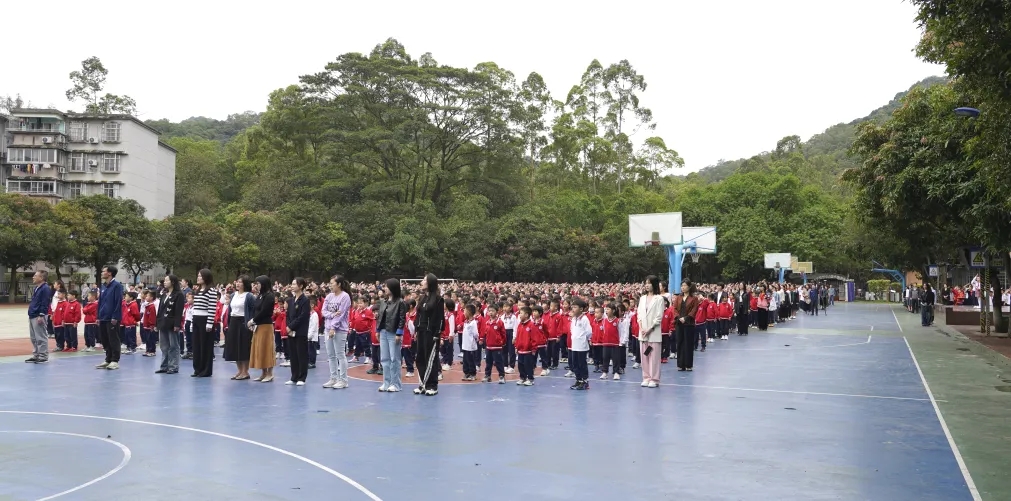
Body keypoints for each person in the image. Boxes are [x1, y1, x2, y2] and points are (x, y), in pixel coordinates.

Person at [413, 274, 445, 395]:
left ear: (430, 283)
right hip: (421, 332)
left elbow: (440, 319)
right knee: (420, 358)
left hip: (431, 333)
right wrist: (416, 329)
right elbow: (418, 315)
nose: (422, 282)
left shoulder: (438, 299)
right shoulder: (422, 298)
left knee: (430, 360)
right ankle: (422, 384)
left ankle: (432, 386)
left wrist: (437, 333)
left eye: (424, 280)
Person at [376, 278, 408, 392]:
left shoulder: (400, 302)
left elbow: (402, 318)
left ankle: (396, 384)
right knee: (384, 359)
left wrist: (399, 333)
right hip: (383, 332)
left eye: (387, 286)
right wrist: (378, 330)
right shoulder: (383, 301)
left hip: (393, 333)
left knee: (395, 359)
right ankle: (386, 382)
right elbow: (380, 317)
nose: (385, 288)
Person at [322, 275, 352, 389]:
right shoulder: (329, 296)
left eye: (332, 283)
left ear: (339, 284)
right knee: (331, 355)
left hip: (339, 330)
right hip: (327, 329)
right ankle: (333, 378)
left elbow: (341, 314)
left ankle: (343, 380)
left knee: (340, 354)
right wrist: (332, 314)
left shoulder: (345, 297)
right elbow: (323, 311)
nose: (330, 285)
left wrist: (333, 327)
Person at [637, 275, 665, 388]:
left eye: (649, 283)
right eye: (646, 283)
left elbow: (659, 316)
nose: (647, 285)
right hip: (643, 333)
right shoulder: (642, 298)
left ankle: (654, 379)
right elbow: (639, 314)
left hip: (653, 332)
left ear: (654, 284)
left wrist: (650, 328)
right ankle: (646, 377)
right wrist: (641, 328)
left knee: (654, 357)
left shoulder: (659, 299)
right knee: (644, 356)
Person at [225, 275, 255, 381]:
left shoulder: (249, 296)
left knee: (244, 347)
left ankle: (245, 371)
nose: (238, 284)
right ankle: (239, 370)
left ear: (245, 284)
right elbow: (230, 309)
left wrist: (251, 323)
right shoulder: (233, 295)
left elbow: (253, 310)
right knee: (235, 347)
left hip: (243, 322)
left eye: (240, 282)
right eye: (237, 282)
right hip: (233, 321)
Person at [191, 269, 219, 378]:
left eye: (200, 276)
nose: (198, 278)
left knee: (205, 346)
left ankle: (206, 370)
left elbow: (212, 307)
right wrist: (193, 321)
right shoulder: (198, 290)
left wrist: (209, 323)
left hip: (205, 319)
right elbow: (195, 307)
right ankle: (197, 369)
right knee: (196, 345)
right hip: (196, 318)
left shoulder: (211, 290)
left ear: (206, 277)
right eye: (198, 276)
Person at [248, 275, 277, 382]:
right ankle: (263, 373)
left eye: (258, 284)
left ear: (264, 284)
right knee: (260, 349)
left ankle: (270, 373)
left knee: (267, 349)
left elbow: (264, 311)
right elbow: (256, 309)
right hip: (258, 325)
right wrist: (254, 322)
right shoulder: (260, 295)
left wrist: (253, 320)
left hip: (265, 326)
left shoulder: (269, 296)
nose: (256, 286)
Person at [156, 274, 185, 375]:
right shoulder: (164, 294)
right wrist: (157, 322)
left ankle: (173, 366)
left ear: (172, 282)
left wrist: (177, 324)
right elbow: (160, 310)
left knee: (173, 346)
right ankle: (164, 366)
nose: (164, 282)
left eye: (167, 280)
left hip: (172, 323)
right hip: (162, 322)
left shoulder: (179, 294)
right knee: (164, 346)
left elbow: (179, 311)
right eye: (164, 280)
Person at [96, 266, 124, 370]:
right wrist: (98, 316)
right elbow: (100, 302)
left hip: (112, 318)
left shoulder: (117, 286)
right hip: (103, 317)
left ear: (110, 273)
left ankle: (115, 360)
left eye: (103, 271)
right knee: (105, 339)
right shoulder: (103, 286)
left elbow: (118, 302)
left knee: (113, 339)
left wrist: (115, 316)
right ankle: (108, 359)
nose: (102, 273)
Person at [285, 277, 311, 386]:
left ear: (301, 286)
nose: (292, 286)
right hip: (291, 332)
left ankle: (302, 377)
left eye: (294, 284)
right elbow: (288, 315)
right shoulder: (290, 300)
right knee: (293, 355)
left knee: (301, 354)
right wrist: (288, 326)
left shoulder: (305, 300)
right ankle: (294, 377)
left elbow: (303, 317)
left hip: (300, 331)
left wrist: (291, 326)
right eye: (292, 284)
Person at [672, 280, 700, 372]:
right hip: (679, 322)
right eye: (682, 286)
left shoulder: (694, 298)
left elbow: (694, 310)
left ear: (689, 287)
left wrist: (686, 318)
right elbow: (674, 308)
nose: (682, 287)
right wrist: (678, 317)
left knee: (688, 344)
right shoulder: (678, 297)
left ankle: (688, 364)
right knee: (679, 343)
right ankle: (680, 364)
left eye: (684, 285)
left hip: (689, 323)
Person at [26, 271, 52, 364]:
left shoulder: (45, 288)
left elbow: (45, 302)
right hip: (33, 314)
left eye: (35, 276)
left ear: (41, 278)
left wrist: (41, 315)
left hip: (38, 315)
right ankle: (36, 354)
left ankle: (43, 356)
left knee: (40, 336)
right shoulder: (37, 288)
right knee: (34, 337)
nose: (33, 277)